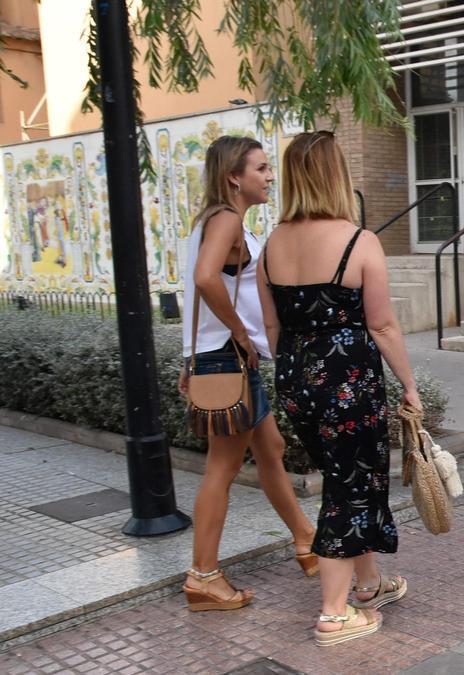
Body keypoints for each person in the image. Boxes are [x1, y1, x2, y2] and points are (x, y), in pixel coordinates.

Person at [258, 131, 423, 647]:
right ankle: (333, 612)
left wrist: (294, 375)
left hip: (297, 380)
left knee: (345, 476)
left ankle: (369, 585)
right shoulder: (359, 241)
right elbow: (383, 326)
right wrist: (410, 386)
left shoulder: (273, 244)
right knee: (348, 485)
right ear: (337, 176)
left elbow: (271, 328)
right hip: (348, 381)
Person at [179, 135, 317, 611]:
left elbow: (199, 289)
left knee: (271, 447)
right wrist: (239, 332)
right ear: (234, 176)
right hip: (228, 358)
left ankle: (305, 539)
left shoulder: (216, 221)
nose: (270, 176)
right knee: (222, 467)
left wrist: (193, 357)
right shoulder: (226, 219)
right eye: (261, 168)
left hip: (221, 358)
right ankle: (203, 577)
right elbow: (204, 277)